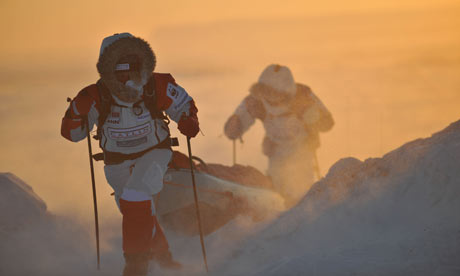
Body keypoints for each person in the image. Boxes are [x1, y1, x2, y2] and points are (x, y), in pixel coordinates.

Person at [61, 33, 199, 276]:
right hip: (116, 163)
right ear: (106, 68)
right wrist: (75, 115)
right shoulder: (94, 95)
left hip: (155, 153)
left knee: (136, 197)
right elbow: (74, 135)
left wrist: (188, 120)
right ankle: (164, 259)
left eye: (131, 66)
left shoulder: (155, 85)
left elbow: (182, 104)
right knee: (139, 211)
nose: (126, 75)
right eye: (119, 68)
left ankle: (135, 267)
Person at [224, 64, 333, 208]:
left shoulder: (304, 96)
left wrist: (313, 117)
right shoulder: (256, 101)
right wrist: (235, 125)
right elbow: (234, 127)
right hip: (275, 151)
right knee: (277, 194)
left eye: (278, 97)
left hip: (302, 151)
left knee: (300, 194)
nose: (273, 100)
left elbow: (327, 123)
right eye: (268, 95)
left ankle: (300, 216)